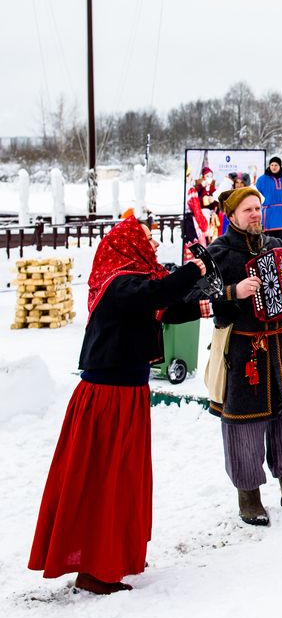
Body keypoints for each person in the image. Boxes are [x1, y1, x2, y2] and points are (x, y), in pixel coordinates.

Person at [29, 216, 207, 595]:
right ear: (128, 243)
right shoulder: (118, 284)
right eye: (148, 238)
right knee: (104, 482)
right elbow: (158, 295)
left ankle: (105, 561)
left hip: (126, 394)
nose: (155, 246)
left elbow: (169, 307)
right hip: (108, 399)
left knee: (118, 480)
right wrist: (192, 269)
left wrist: (214, 303)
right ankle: (94, 568)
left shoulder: (132, 282)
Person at [206, 187, 282, 527]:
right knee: (244, 426)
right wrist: (234, 291)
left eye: (258, 208)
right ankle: (249, 498)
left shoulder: (276, 246)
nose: (256, 214)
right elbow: (198, 295)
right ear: (230, 215)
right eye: (247, 210)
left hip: (280, 345)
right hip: (244, 350)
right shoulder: (219, 253)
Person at [255, 156, 282, 231]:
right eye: (272, 165)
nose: (273, 167)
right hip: (269, 217)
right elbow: (256, 198)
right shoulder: (261, 180)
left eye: (276, 165)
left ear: (280, 166)